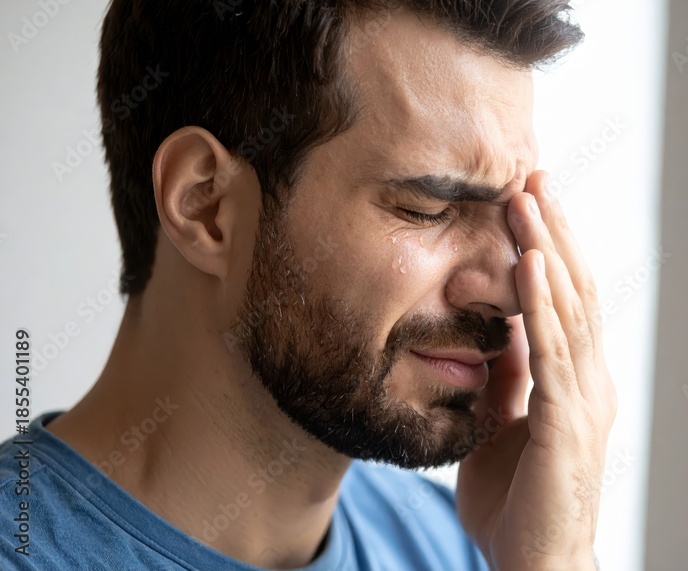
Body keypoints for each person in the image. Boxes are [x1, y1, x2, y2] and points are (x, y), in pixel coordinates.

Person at [0, 1, 617, 569]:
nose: (508, 290)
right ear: (206, 206)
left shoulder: (470, 545)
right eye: (428, 209)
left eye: (513, 215)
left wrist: (552, 559)